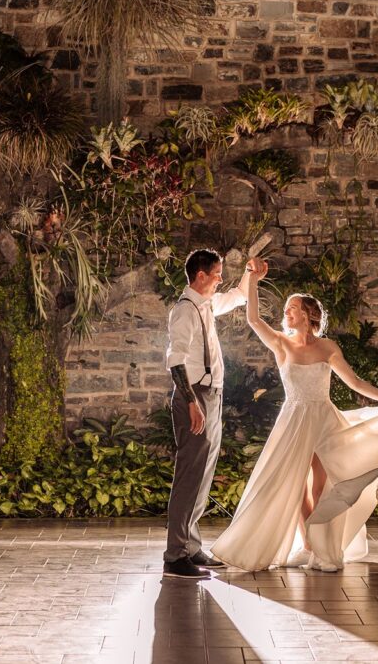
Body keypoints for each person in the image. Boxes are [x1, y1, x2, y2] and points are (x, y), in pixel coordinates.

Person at [210, 258, 378, 572]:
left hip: (323, 420)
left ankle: (321, 549)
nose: (286, 313)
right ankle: (307, 547)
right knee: (295, 486)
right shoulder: (281, 343)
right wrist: (251, 277)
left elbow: (355, 382)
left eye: (292, 308)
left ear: (306, 314)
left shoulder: (328, 347)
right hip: (294, 421)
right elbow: (252, 319)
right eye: (287, 309)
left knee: (320, 487)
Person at [162, 248, 258, 579]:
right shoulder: (185, 311)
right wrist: (192, 403)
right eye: (216, 274)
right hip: (195, 397)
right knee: (190, 475)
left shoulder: (207, 305)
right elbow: (175, 360)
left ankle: (190, 546)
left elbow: (239, 296)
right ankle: (175, 555)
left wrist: (250, 271)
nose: (220, 279)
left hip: (212, 397)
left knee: (203, 474)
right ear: (201, 276)